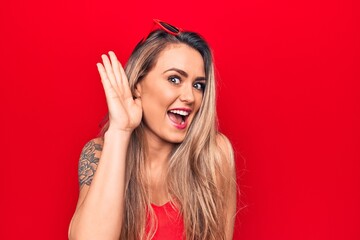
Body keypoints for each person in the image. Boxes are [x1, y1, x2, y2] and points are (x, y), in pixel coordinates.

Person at [68, 19, 237, 240]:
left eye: (198, 85)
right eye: (174, 79)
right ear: (138, 85)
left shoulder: (214, 154)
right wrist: (120, 131)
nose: (190, 97)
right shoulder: (99, 153)